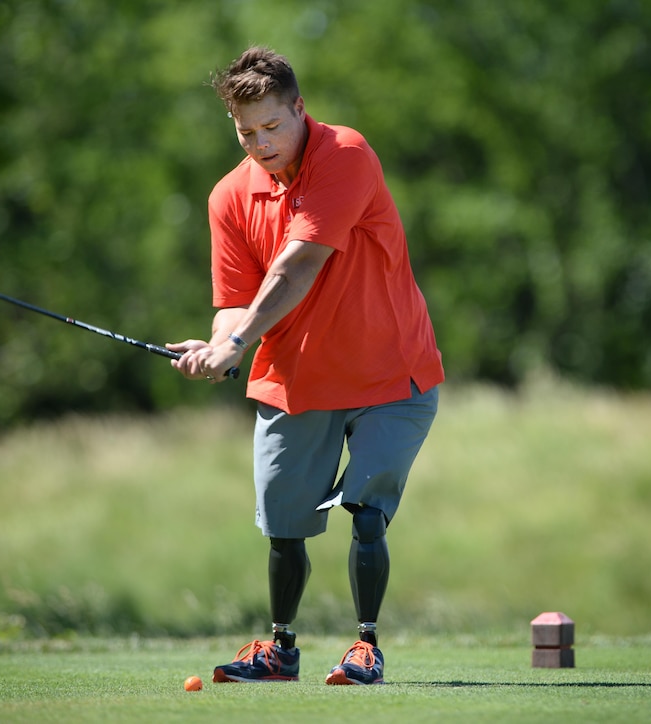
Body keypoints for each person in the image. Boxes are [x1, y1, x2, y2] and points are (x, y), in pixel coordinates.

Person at [167, 46, 444, 686]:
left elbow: (297, 266)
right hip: (296, 381)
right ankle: (281, 649)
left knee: (367, 511)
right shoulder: (228, 197)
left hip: (390, 374)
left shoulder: (345, 153)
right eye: (245, 132)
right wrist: (216, 350)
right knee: (284, 526)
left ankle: (365, 646)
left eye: (273, 127)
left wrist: (235, 346)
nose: (260, 144)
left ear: (299, 109)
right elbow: (234, 302)